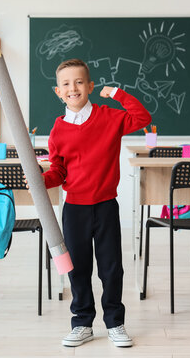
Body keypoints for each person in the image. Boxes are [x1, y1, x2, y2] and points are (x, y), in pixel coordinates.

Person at [42, 58, 151, 348]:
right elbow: (58, 171)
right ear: (58, 91)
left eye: (79, 82)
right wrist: (42, 181)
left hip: (105, 206)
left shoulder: (109, 117)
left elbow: (142, 118)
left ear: (90, 86)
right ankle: (82, 322)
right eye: (66, 84)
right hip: (74, 208)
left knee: (111, 267)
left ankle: (115, 322)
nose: (73, 88)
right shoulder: (57, 130)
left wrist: (118, 94)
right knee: (77, 268)